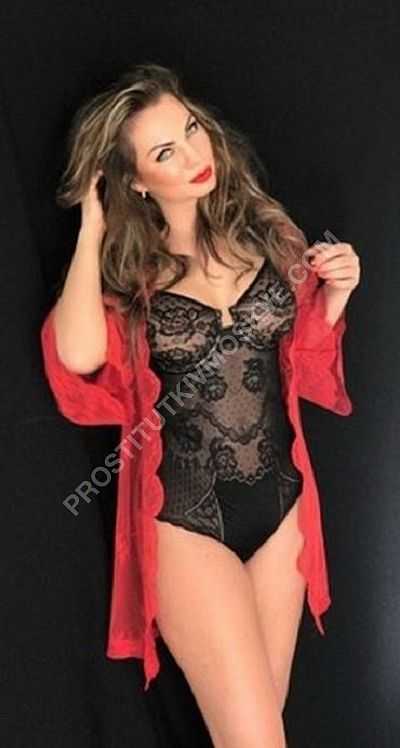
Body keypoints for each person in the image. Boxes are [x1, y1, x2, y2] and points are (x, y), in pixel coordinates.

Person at [40, 62, 360, 748]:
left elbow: (305, 366)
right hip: (186, 521)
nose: (193, 155)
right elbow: (77, 359)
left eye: (190, 129)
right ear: (135, 181)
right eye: (165, 152)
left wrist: (335, 294)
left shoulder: (269, 236)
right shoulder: (132, 278)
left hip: (284, 512)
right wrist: (92, 225)